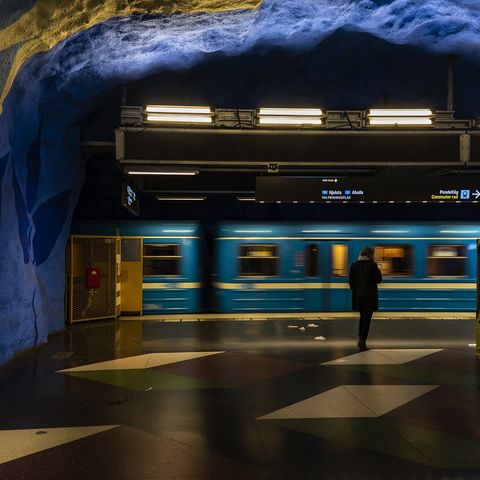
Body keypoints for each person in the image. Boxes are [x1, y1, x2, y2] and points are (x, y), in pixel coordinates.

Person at [348, 246, 382, 351]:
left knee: (362, 318)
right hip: (369, 298)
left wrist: (356, 291)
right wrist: (378, 270)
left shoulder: (354, 265)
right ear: (370, 255)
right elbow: (378, 280)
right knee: (366, 320)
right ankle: (362, 342)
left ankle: (360, 340)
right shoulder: (372, 265)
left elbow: (350, 282)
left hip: (358, 298)